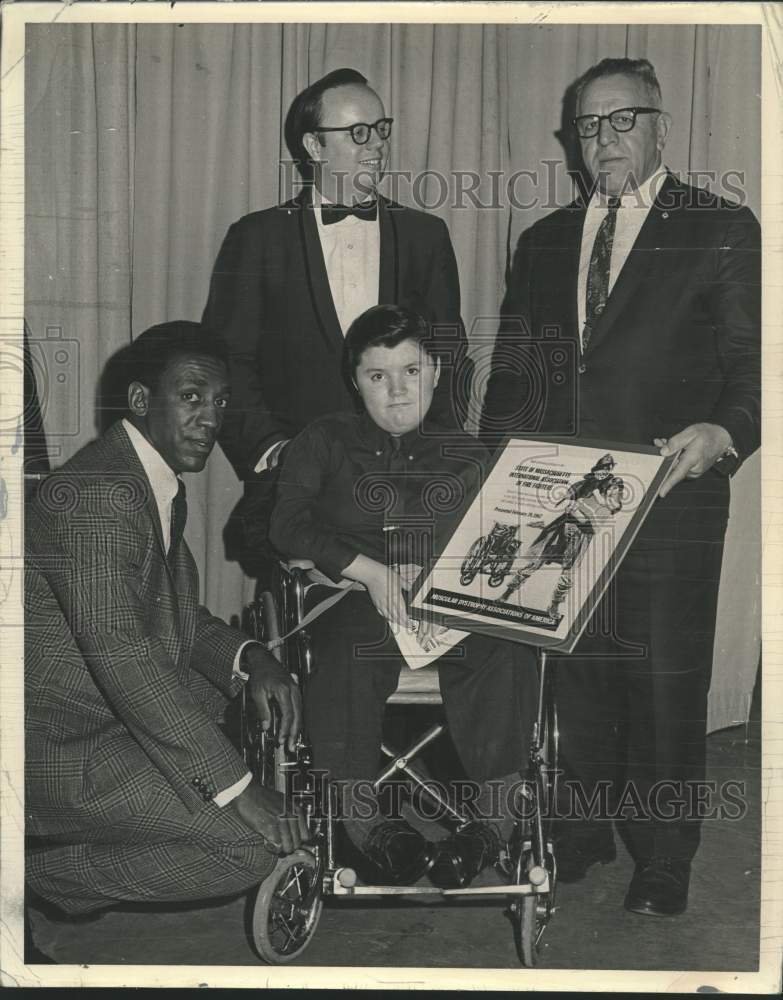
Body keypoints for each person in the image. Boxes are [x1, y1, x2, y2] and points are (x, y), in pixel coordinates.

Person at [480, 57, 760, 916]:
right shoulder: (542, 241)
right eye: (585, 126)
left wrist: (726, 432)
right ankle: (581, 829)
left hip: (673, 495)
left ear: (659, 123)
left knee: (664, 680)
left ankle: (665, 854)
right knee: (576, 672)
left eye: (618, 121)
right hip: (564, 500)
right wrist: (496, 487)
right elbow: (513, 382)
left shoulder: (720, 228)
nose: (600, 140)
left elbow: (757, 367)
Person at [25, 321, 307, 926]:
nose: (211, 418)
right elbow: (124, 655)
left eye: (221, 402)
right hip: (57, 749)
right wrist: (235, 786)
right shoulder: (97, 495)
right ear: (139, 401)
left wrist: (250, 657)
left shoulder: (145, 481)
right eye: (191, 396)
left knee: (219, 748)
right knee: (247, 845)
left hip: (100, 724)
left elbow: (175, 618)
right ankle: (34, 878)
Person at [269, 305, 535, 889]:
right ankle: (369, 829)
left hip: (447, 613)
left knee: (505, 640)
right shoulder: (324, 440)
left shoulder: (470, 454)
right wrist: (366, 570)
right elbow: (286, 526)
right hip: (354, 605)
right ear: (354, 380)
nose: (395, 393)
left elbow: (500, 545)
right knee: (350, 642)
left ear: (436, 372)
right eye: (377, 376)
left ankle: (491, 828)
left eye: (410, 372)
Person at [202, 67, 468, 573]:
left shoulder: (425, 235)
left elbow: (448, 357)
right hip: (301, 500)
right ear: (314, 147)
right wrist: (275, 451)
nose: (377, 147)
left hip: (409, 495)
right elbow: (228, 362)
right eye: (357, 133)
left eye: (381, 129)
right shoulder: (256, 238)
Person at [501, 473, 625, 620]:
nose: (613, 490)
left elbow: (592, 528)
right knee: (535, 563)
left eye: (617, 488)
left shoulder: (609, 508)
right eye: (611, 487)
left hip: (579, 539)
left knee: (567, 575)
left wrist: (575, 512)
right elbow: (574, 503)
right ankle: (506, 593)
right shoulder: (592, 494)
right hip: (561, 531)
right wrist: (572, 507)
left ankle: (554, 606)